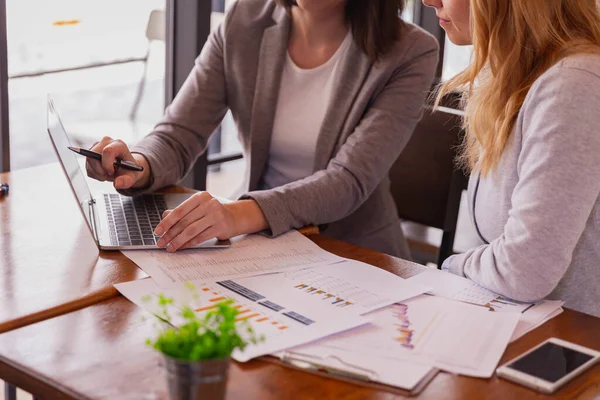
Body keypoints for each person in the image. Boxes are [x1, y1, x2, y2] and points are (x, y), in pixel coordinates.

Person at [86, 0, 439, 257]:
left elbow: (347, 181)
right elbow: (179, 132)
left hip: (349, 251)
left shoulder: (410, 51)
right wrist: (138, 163)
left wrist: (235, 215)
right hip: (256, 245)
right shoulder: (244, 19)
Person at [423, 0, 600, 316]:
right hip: (526, 322)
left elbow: (524, 271)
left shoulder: (575, 83)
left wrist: (448, 267)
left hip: (575, 341)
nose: (428, 1)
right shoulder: (511, 76)